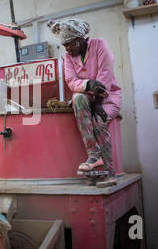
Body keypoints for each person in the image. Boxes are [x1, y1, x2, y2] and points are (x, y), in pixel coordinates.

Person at [48, 18, 122, 187]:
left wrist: (98, 103)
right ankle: (94, 154)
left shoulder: (99, 45)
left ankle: (110, 172)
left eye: (69, 44)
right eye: (64, 45)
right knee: (78, 97)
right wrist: (88, 84)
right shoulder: (68, 56)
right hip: (87, 95)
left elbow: (106, 74)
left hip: (108, 98)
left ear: (80, 40)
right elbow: (71, 81)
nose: (67, 48)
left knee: (98, 122)